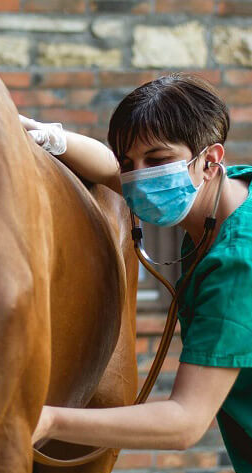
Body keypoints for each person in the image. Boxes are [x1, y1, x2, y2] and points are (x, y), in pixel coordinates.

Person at [21, 73, 252, 472]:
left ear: (210, 161)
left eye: (158, 161)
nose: (140, 177)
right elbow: (114, 171)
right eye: (131, 163)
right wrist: (48, 138)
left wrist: (48, 419)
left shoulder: (237, 266)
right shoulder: (229, 192)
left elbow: (184, 421)